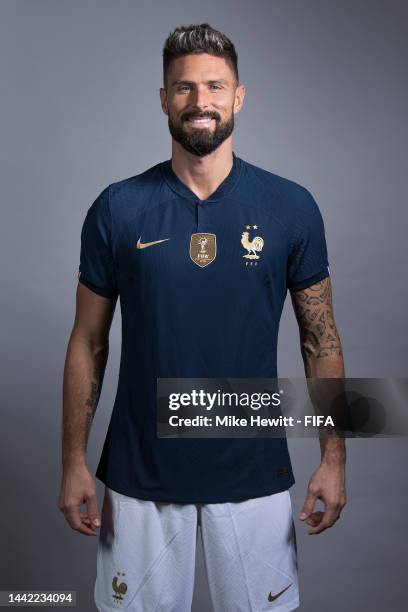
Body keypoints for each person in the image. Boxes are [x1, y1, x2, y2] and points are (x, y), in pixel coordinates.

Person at [58, 23, 346, 612]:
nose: (200, 101)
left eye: (214, 86)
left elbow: (321, 341)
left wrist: (334, 458)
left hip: (253, 473)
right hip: (141, 477)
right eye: (184, 88)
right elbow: (88, 342)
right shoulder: (119, 207)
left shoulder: (290, 206)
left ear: (238, 96)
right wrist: (73, 464)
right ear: (164, 98)